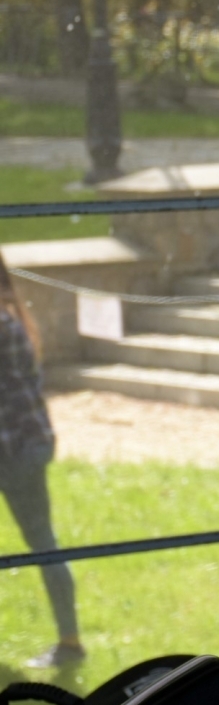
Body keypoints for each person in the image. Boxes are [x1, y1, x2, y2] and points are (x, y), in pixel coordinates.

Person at [0, 258, 83, 669]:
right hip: (23, 447)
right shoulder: (11, 319)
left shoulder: (3, 324)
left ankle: (70, 642)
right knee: (43, 541)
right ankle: (70, 640)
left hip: (16, 451)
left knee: (43, 543)